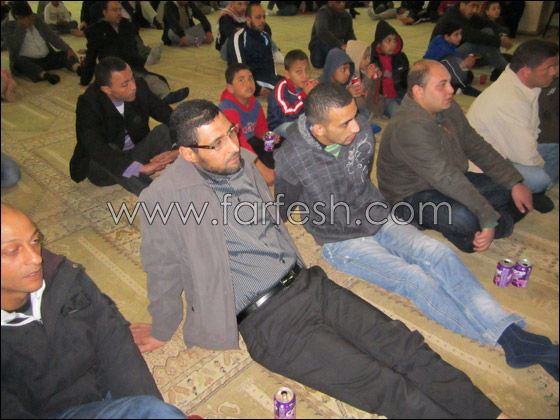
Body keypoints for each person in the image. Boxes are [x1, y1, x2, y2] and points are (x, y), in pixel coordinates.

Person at [131, 98, 510, 418]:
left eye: (231, 131)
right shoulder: (162, 200)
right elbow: (162, 270)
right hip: (269, 322)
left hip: (308, 283)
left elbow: (272, 207)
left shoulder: (242, 158)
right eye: (217, 143)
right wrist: (162, 328)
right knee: (382, 385)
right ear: (187, 153)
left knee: (405, 346)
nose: (233, 145)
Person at [274, 81, 559, 381]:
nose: (357, 127)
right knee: (413, 278)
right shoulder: (292, 158)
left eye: (354, 116)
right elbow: (282, 205)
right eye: (344, 123)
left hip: (379, 216)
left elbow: (361, 178)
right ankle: (511, 341)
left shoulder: (361, 130)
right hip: (341, 240)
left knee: (438, 253)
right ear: (319, 129)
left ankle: (512, 337)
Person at [0, 204, 188, 419]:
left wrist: (146, 403)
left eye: (35, 241)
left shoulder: (63, 276)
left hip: (98, 388)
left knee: (155, 411)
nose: (36, 258)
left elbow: (113, 338)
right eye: (12, 251)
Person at [376, 60, 534, 254]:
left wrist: (513, 182)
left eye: (449, 83)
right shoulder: (409, 126)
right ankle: (480, 228)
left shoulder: (448, 108)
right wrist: (487, 217)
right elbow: (445, 177)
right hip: (411, 196)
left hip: (450, 179)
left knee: (510, 190)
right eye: (442, 85)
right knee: (463, 217)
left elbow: (476, 146)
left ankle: (475, 231)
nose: (451, 90)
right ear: (418, 91)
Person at [467, 40, 559, 209]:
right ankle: (531, 191)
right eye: (548, 68)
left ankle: (532, 192)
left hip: (509, 150)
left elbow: (534, 131)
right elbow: (526, 156)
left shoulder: (526, 84)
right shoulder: (509, 101)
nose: (555, 72)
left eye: (555, 65)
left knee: (555, 150)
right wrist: (541, 165)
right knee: (539, 178)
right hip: (486, 165)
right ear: (525, 72)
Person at [70, 57, 178, 196]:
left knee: (164, 130)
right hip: (103, 165)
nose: (133, 86)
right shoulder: (88, 103)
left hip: (137, 152)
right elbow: (95, 147)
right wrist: (137, 168)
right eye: (125, 84)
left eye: (132, 78)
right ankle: (157, 197)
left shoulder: (139, 87)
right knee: (110, 149)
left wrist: (177, 150)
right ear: (106, 89)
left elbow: (167, 114)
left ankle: (192, 181)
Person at [80, 1, 189, 105]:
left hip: (130, 66)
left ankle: (166, 95)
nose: (119, 13)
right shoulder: (96, 30)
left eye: (119, 10)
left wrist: (144, 61)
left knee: (152, 78)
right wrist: (85, 80)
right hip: (112, 70)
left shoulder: (127, 26)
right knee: (138, 82)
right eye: (114, 10)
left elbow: (133, 52)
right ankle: (163, 97)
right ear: (105, 12)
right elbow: (91, 56)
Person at [218, 63, 278, 185]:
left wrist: (266, 135)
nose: (248, 83)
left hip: (250, 143)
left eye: (250, 78)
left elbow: (261, 128)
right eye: (241, 80)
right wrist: (261, 168)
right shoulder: (228, 109)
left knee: (279, 147)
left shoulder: (254, 102)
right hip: (233, 149)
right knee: (255, 170)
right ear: (230, 88)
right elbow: (239, 144)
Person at [1, 1, 81, 85]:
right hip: (28, 60)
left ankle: (78, 68)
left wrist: (67, 48)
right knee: (21, 62)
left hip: (47, 57)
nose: (31, 20)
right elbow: (13, 47)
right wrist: (22, 28)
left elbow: (51, 35)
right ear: (19, 17)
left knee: (64, 53)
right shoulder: (6, 25)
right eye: (28, 18)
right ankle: (44, 75)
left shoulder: (35, 18)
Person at [432, 1, 512, 82]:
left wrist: (502, 35)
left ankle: (497, 69)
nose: (474, 10)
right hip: (443, 60)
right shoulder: (452, 17)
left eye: (476, 6)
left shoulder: (465, 13)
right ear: (462, 4)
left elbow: (488, 24)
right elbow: (472, 35)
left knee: (487, 31)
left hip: (455, 52)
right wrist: (499, 41)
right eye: (472, 6)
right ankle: (507, 70)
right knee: (479, 42)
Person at [226, 3, 282, 98]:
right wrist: (257, 89)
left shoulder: (265, 36)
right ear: (248, 19)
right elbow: (239, 69)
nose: (262, 20)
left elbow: (271, 64)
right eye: (258, 17)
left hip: (265, 78)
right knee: (284, 90)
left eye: (264, 17)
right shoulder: (238, 37)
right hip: (249, 79)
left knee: (292, 82)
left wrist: (275, 78)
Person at [267, 49, 318, 138]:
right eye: (299, 72)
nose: (305, 75)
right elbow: (287, 116)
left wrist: (318, 92)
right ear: (287, 74)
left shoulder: (307, 85)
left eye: (307, 70)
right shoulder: (281, 89)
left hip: (301, 122)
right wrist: (304, 96)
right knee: (294, 128)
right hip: (279, 127)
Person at [423, 19, 480, 97]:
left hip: (442, 70)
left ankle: (451, 86)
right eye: (456, 35)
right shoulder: (443, 48)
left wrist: (464, 64)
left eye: (460, 34)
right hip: (431, 72)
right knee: (450, 62)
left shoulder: (449, 42)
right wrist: (463, 64)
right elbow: (449, 65)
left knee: (469, 74)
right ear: (447, 37)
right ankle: (464, 87)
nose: (460, 37)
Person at [369, 20, 409, 118]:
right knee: (399, 115)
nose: (393, 44)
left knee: (416, 111)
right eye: (388, 41)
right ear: (379, 44)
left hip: (402, 95)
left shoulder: (401, 58)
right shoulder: (373, 60)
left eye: (394, 40)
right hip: (386, 99)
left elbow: (407, 78)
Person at [308, 1, 356, 69]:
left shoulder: (347, 16)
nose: (342, 4)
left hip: (336, 46)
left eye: (343, 1)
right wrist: (340, 45)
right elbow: (322, 32)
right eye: (338, 2)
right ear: (330, 2)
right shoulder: (323, 12)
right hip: (319, 49)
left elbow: (350, 34)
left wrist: (354, 46)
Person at [346, 40, 385, 118]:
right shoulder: (348, 75)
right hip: (356, 108)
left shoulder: (363, 72)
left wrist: (376, 78)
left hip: (369, 106)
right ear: (355, 58)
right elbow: (359, 92)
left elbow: (373, 92)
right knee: (359, 101)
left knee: (380, 98)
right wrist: (367, 78)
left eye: (369, 56)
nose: (369, 60)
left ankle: (376, 115)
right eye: (365, 57)